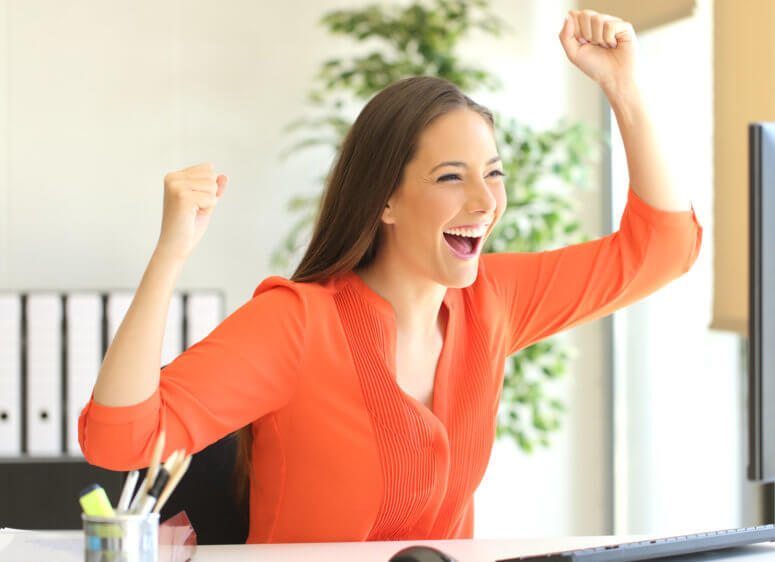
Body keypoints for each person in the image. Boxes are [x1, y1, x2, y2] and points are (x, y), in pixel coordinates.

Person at [78, 9, 702, 544]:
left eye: (494, 173)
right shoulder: (298, 324)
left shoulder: (493, 302)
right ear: (386, 201)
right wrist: (169, 256)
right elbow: (122, 440)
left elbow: (663, 250)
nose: (486, 202)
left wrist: (625, 90)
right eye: (451, 177)